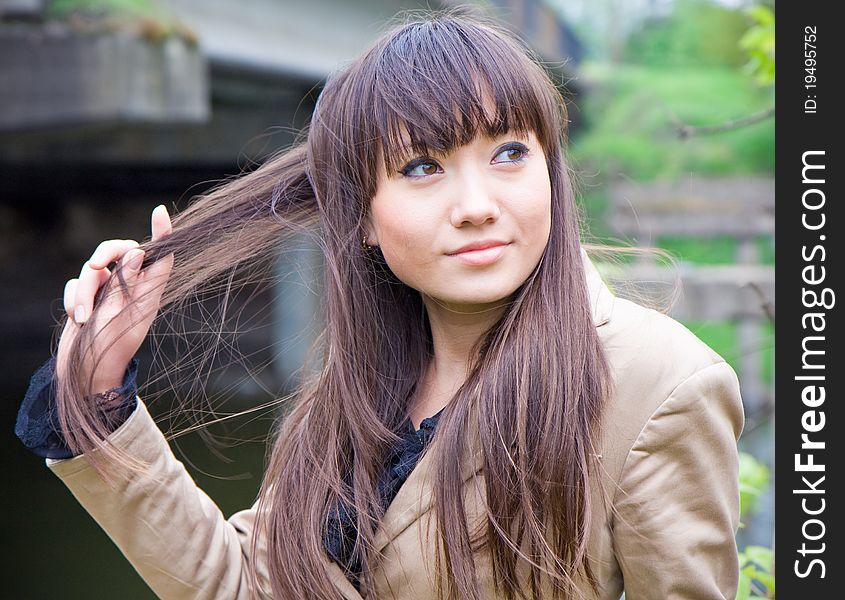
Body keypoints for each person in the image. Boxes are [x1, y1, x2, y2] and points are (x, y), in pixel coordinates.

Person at [16, 11, 744, 600]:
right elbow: (241, 586)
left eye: (509, 153)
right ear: (359, 216)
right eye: (423, 167)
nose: (476, 207)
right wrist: (99, 395)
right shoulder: (354, 390)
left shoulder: (659, 387)